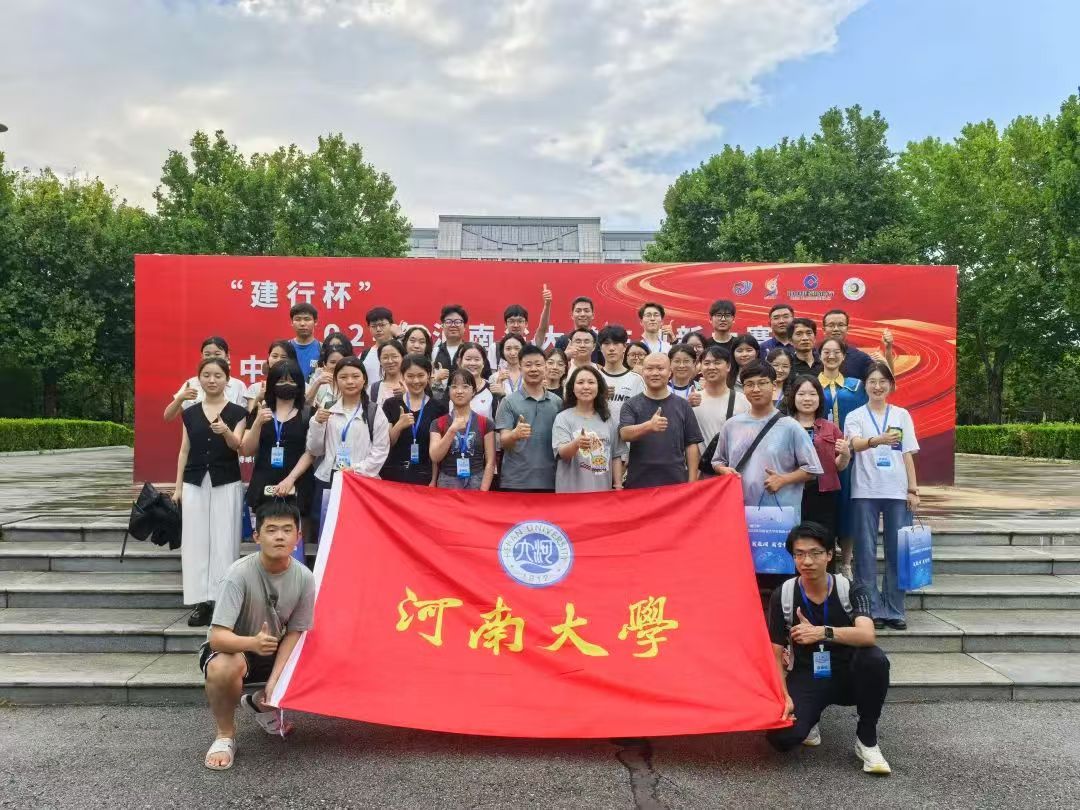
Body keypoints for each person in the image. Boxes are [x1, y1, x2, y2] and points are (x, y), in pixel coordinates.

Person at [765, 522, 892, 775]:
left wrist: (822, 632)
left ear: (829, 555)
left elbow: (867, 635)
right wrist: (783, 696)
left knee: (875, 659)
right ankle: (810, 718)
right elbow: (775, 653)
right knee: (781, 738)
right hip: (808, 674)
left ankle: (867, 740)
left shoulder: (850, 589)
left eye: (815, 553)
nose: (807, 561)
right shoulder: (784, 594)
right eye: (799, 554)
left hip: (849, 674)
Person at [199, 501, 316, 771]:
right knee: (224, 667)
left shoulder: (305, 578)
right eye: (271, 530)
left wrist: (274, 682)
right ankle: (225, 735)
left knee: (319, 651)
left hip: (271, 647)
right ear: (256, 536)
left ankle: (260, 702)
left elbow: (295, 632)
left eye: (287, 530)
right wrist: (252, 643)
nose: (279, 536)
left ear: (298, 537)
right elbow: (217, 637)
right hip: (234, 647)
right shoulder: (237, 574)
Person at [844, 362, 920, 631]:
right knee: (864, 551)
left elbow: (907, 453)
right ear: (865, 386)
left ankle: (895, 609)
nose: (877, 386)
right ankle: (871, 609)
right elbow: (854, 444)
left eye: (882, 382)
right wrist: (878, 440)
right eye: (872, 382)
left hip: (897, 490)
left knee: (897, 551)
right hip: (865, 490)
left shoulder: (901, 414)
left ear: (891, 385)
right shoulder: (855, 416)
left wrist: (913, 489)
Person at [174, 357, 249, 627]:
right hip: (194, 482)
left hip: (226, 481)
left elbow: (238, 446)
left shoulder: (238, 411)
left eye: (218, 375)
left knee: (225, 540)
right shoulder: (190, 412)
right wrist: (178, 487)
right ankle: (201, 601)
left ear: (227, 379)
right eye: (206, 375)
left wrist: (226, 431)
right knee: (195, 541)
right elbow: (184, 450)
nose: (212, 380)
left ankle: (223, 600)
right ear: (199, 378)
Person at [711, 361, 823, 521]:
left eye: (762, 383)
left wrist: (783, 479)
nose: (756, 389)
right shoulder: (731, 425)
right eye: (749, 384)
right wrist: (723, 470)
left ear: (774, 385)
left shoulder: (791, 427)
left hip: (780, 515)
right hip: (739, 510)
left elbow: (812, 469)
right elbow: (717, 461)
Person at [305, 356, 391, 541]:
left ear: (364, 379)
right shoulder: (327, 409)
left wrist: (356, 470)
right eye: (343, 377)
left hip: (363, 481)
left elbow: (380, 451)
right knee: (328, 534)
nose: (350, 381)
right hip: (329, 479)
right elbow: (315, 450)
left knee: (360, 534)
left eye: (355, 376)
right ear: (336, 381)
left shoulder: (374, 412)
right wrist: (317, 423)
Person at [818, 337, 869, 577]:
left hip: (851, 457)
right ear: (819, 355)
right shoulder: (811, 385)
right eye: (826, 351)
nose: (831, 356)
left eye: (836, 352)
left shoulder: (857, 386)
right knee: (824, 508)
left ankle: (847, 562)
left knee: (848, 507)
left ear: (844, 356)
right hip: (819, 456)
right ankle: (825, 561)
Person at [240, 360, 315, 521]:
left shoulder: (309, 414)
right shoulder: (260, 411)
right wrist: (257, 423)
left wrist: (290, 479)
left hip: (298, 483)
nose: (286, 385)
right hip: (264, 482)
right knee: (267, 529)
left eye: (291, 381)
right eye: (280, 381)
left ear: (299, 384)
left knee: (295, 531)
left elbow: (311, 452)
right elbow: (246, 450)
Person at [618, 353, 703, 488]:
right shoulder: (631, 404)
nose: (655, 373)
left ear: (670, 372)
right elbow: (624, 433)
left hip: (675, 481)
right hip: (639, 482)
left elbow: (691, 444)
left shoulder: (682, 405)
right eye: (649, 368)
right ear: (643, 372)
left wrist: (692, 482)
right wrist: (649, 426)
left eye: (660, 368)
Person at [787, 375, 850, 544]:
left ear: (820, 398)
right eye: (801, 394)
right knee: (792, 538)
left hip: (823, 493)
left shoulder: (830, 428)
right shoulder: (783, 425)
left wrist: (845, 454)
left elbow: (838, 466)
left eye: (812, 394)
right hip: (791, 490)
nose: (807, 399)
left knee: (823, 539)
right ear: (793, 397)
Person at [496, 344, 562, 492]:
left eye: (538, 364)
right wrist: (515, 434)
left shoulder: (557, 402)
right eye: (528, 365)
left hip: (550, 480)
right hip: (516, 481)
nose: (533, 369)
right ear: (520, 368)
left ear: (545, 367)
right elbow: (503, 441)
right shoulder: (508, 402)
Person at [552, 366, 625, 492]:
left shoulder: (608, 419)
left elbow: (616, 455)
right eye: (580, 382)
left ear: (599, 387)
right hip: (570, 494)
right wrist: (576, 443)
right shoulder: (562, 418)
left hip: (602, 494)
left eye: (591, 382)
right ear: (572, 388)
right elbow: (562, 453)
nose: (586, 387)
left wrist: (618, 485)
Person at [381, 354, 449, 486]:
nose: (416, 381)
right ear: (402, 376)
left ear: (429, 375)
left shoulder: (439, 408)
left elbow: (438, 450)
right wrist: (398, 426)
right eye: (410, 376)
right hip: (393, 474)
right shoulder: (391, 404)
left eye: (421, 375)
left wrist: (434, 479)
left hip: (424, 476)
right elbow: (385, 444)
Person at [429, 368, 496, 491]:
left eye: (465, 387)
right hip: (447, 481)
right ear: (449, 391)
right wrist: (452, 430)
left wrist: (483, 491)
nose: (459, 391)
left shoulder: (485, 423)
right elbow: (435, 456)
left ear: (473, 391)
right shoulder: (438, 423)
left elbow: (490, 462)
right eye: (454, 387)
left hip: (477, 480)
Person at [165, 337, 247, 421]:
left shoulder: (238, 385)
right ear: (202, 356)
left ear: (227, 356)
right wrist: (179, 399)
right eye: (207, 354)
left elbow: (245, 418)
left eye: (217, 354)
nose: (212, 358)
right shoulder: (191, 384)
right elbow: (168, 417)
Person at [693, 346, 750, 463]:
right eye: (706, 363)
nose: (711, 367)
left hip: (732, 469)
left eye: (717, 363)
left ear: (728, 366)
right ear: (700, 367)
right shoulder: (693, 401)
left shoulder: (743, 401)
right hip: (700, 470)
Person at [485, 286, 553, 367]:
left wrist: (547, 305)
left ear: (526, 324)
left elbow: (542, 329)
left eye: (520, 321)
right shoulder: (495, 348)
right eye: (511, 321)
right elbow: (492, 373)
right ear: (505, 324)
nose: (516, 325)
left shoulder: (531, 346)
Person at [822, 309, 895, 379]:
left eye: (841, 325)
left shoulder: (861, 358)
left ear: (847, 329)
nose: (836, 329)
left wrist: (888, 350)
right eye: (831, 325)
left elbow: (887, 382)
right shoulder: (815, 357)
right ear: (824, 330)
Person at [597, 324, 645, 422]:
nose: (611, 348)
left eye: (616, 343)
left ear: (624, 347)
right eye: (606, 343)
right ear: (601, 348)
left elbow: (642, 413)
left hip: (628, 431)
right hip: (598, 431)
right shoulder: (593, 378)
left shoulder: (636, 380)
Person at [243, 340, 298, 412]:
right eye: (274, 356)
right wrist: (259, 398)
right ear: (268, 359)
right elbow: (250, 416)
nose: (278, 360)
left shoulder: (302, 386)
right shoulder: (255, 388)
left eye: (284, 357)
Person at [554, 296, 602, 363]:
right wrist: (565, 356)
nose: (582, 314)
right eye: (578, 311)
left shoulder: (600, 341)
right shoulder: (562, 341)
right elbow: (553, 366)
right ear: (572, 315)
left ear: (593, 315)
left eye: (586, 311)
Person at [305, 340, 350, 410]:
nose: (337, 366)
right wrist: (317, 383)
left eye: (340, 362)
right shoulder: (317, 379)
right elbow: (307, 405)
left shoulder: (352, 381)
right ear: (324, 364)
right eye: (332, 362)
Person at [456, 342, 496, 419]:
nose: (472, 363)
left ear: (483, 363)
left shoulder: (492, 389)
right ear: (460, 362)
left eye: (477, 359)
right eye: (468, 359)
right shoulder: (452, 388)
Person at [359, 306, 397, 387]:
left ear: (391, 325)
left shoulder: (401, 349)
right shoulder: (364, 355)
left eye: (382, 325)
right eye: (373, 326)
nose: (378, 329)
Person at [432, 304, 469, 381]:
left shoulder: (471, 351)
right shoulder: (434, 352)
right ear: (442, 326)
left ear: (464, 327)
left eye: (457, 322)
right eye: (448, 322)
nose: (453, 325)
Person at [289, 303, 321, 376]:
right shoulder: (284, 348)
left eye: (307, 319)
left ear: (315, 322)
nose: (302, 323)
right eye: (297, 319)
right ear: (292, 322)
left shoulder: (322, 349)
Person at [371, 339, 406, 405]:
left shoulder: (412, 384)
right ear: (380, 361)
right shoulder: (374, 389)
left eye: (394, 356)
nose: (390, 361)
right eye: (385, 357)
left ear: (402, 358)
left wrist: (407, 396)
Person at [490, 334, 526, 398]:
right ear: (502, 351)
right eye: (508, 349)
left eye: (517, 348)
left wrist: (504, 394)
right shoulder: (495, 377)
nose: (512, 353)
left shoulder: (530, 375)